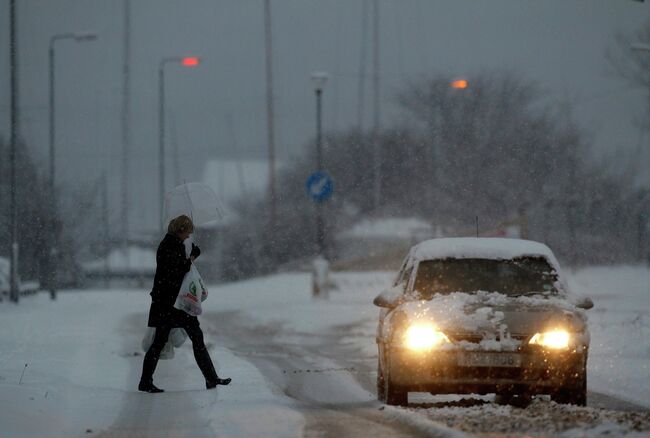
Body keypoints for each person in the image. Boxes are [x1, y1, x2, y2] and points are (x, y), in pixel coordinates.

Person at [139, 215, 231, 393]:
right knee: (164, 342)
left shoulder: (174, 244)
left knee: (191, 338)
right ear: (180, 230)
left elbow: (177, 269)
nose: (188, 237)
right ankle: (145, 381)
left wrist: (188, 256)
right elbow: (176, 272)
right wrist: (192, 258)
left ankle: (211, 378)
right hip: (169, 304)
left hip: (173, 303)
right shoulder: (168, 246)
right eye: (187, 233)